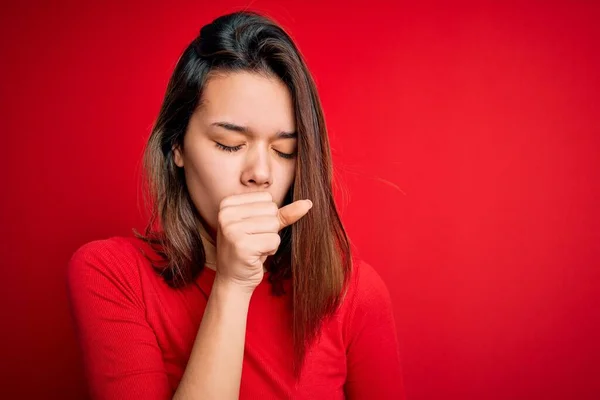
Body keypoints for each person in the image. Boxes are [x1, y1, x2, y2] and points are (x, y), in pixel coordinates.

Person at [67, 10, 405, 400]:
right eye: (230, 144)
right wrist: (232, 284)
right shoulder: (111, 275)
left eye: (284, 150)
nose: (260, 173)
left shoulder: (354, 292)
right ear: (176, 145)